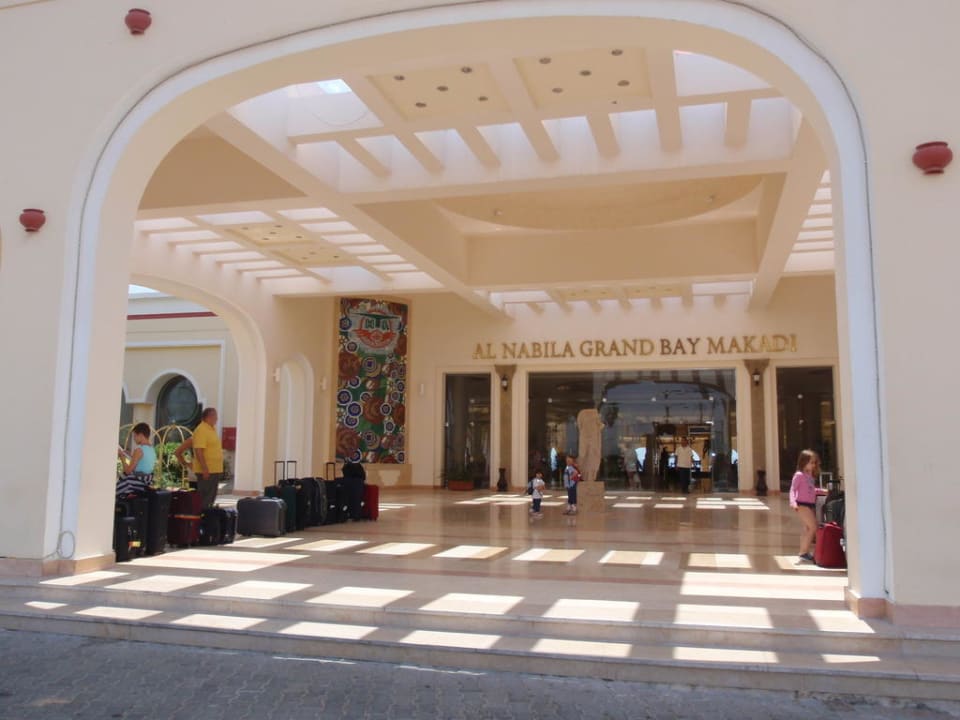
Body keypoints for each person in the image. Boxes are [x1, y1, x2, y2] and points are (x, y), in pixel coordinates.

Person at [174, 407, 223, 508]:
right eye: (215, 416)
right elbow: (198, 451)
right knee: (205, 498)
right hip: (207, 470)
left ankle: (207, 514)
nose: (217, 419)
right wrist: (203, 468)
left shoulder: (211, 429)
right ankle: (202, 515)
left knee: (210, 497)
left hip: (214, 470)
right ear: (209, 417)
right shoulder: (201, 430)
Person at [789, 449, 820, 562]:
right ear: (803, 462)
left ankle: (803, 551)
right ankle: (804, 552)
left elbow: (811, 489)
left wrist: (821, 491)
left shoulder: (810, 476)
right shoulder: (799, 475)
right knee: (813, 527)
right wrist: (793, 502)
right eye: (811, 462)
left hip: (810, 504)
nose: (813, 465)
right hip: (801, 505)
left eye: (814, 463)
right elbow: (793, 489)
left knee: (807, 528)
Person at [116, 422, 156, 496]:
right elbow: (143, 463)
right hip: (145, 483)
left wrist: (122, 457)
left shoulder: (138, 450)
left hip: (135, 483)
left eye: (134, 436)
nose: (134, 439)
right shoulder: (152, 449)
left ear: (140, 435)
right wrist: (131, 455)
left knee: (112, 492)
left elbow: (127, 471)